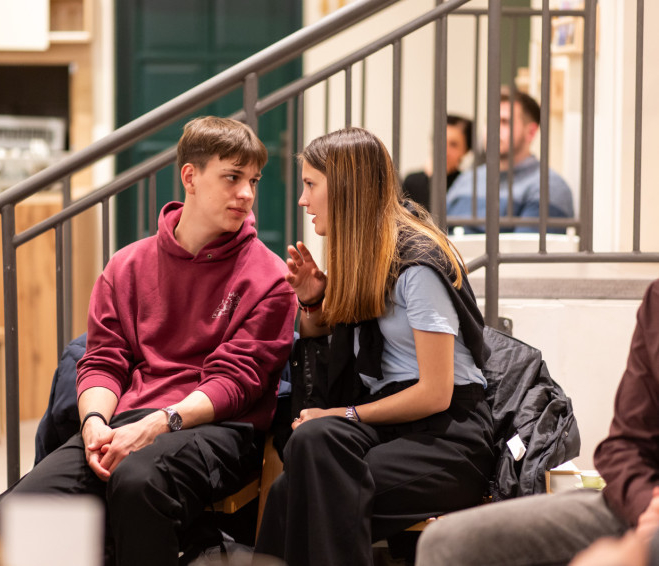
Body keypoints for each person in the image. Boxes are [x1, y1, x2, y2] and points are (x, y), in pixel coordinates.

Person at [0, 116, 297, 566]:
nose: (247, 194)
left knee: (137, 482)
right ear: (190, 177)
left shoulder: (269, 276)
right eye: (232, 178)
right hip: (126, 419)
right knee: (22, 507)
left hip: (217, 427)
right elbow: (103, 359)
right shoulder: (127, 265)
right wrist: (94, 422)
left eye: (253, 180)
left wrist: (157, 425)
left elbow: (237, 383)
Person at [253, 127, 495, 566]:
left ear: (345, 187)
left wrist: (343, 414)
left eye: (310, 185)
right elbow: (330, 332)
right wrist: (313, 301)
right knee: (311, 442)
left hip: (449, 435)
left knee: (302, 491)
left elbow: (436, 393)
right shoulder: (363, 252)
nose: (303, 200)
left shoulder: (417, 266)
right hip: (390, 424)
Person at [415, 278, 659, 566]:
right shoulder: (656, 299)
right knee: (445, 543)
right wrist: (644, 505)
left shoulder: (423, 277)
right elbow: (624, 447)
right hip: (641, 501)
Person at [446, 89, 574, 233]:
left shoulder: (548, 187)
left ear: (531, 132)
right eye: (489, 121)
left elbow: (524, 247)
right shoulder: (467, 180)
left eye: (504, 122)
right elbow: (436, 237)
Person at [402, 114, 473, 211]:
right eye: (439, 141)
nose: (444, 150)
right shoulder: (412, 182)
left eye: (453, 145)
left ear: (466, 151)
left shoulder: (467, 184)